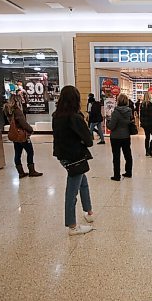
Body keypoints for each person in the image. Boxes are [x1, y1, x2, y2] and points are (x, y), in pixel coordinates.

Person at [53, 86, 95, 235]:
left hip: (63, 156)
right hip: (75, 157)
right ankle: (72, 226)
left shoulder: (56, 116)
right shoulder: (75, 117)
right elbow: (89, 140)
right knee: (72, 191)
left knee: (83, 182)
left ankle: (89, 212)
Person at [3, 95, 43, 178]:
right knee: (30, 152)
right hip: (22, 135)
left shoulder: (9, 111)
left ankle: (20, 172)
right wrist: (31, 129)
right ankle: (32, 171)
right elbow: (23, 123)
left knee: (17, 153)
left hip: (15, 134)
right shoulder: (17, 111)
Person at [107, 93, 133, 181]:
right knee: (128, 155)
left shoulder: (116, 112)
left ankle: (116, 175)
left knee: (116, 156)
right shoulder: (129, 111)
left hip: (115, 137)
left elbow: (111, 126)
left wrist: (107, 122)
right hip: (126, 136)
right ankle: (128, 172)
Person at [140, 92, 152, 157]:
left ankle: (147, 152)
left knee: (147, 137)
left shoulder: (142, 105)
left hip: (145, 124)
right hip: (151, 124)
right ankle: (150, 150)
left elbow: (141, 115)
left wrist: (142, 122)